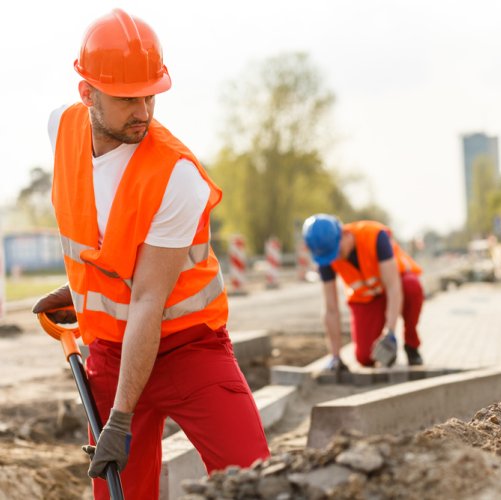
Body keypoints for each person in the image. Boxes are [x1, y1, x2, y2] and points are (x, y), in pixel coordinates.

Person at [32, 9, 269, 498]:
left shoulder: (176, 175)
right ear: (87, 93)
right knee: (122, 492)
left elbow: (147, 300)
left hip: (190, 351)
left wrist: (119, 420)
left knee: (255, 479)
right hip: (113, 353)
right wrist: (79, 292)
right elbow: (102, 243)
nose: (142, 111)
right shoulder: (61, 131)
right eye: (126, 99)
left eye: (150, 95)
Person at [302, 214, 425, 369]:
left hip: (395, 288)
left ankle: (411, 344)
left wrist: (390, 333)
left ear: (344, 234)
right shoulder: (326, 257)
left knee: (411, 286)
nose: (335, 258)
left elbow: (394, 287)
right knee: (365, 357)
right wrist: (335, 356)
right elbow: (330, 309)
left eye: (337, 252)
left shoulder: (374, 236)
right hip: (367, 299)